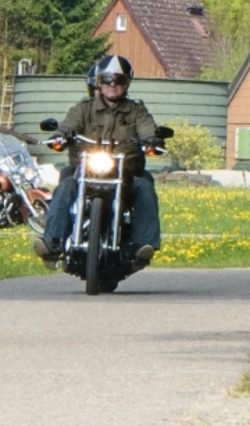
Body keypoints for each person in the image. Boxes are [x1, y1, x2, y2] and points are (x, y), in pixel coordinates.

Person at [31, 55, 161, 270]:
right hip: (85, 171)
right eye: (107, 79)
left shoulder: (137, 110)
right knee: (65, 185)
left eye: (119, 80)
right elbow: (68, 125)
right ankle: (52, 244)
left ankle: (142, 246)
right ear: (99, 82)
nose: (113, 84)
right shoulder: (84, 108)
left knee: (144, 186)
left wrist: (152, 141)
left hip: (125, 173)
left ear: (127, 83)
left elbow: (147, 128)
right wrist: (59, 136)